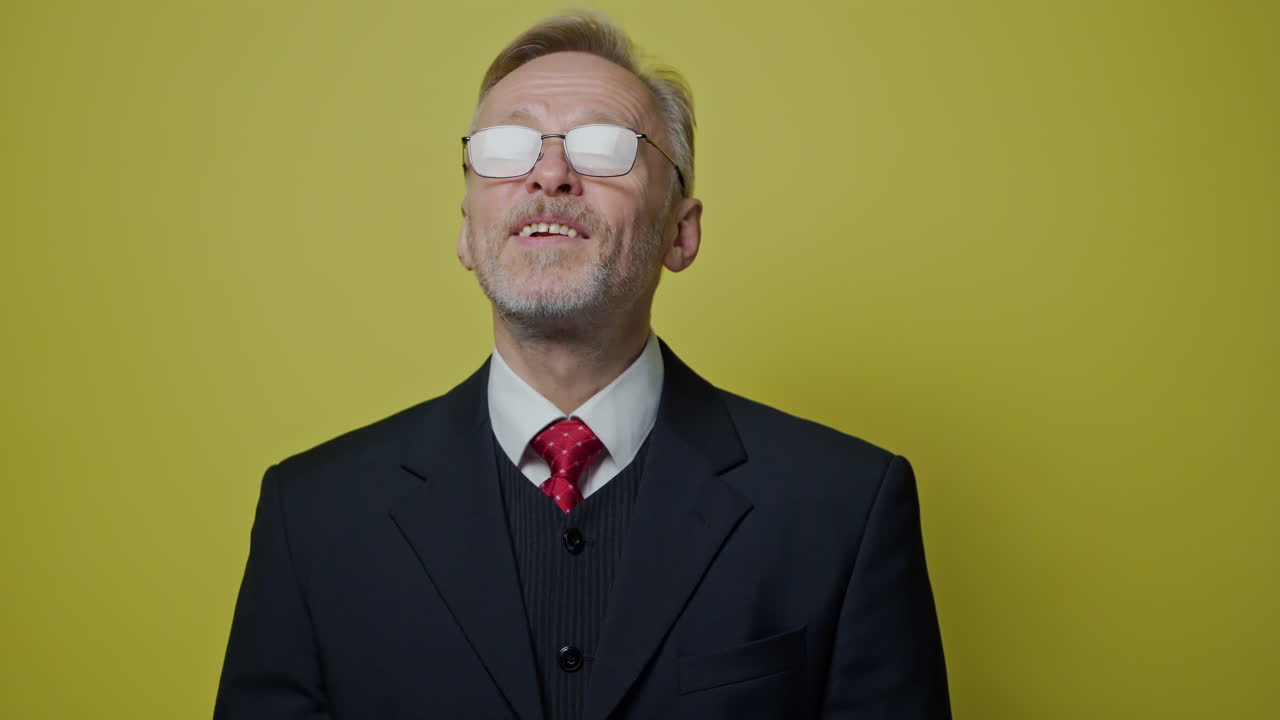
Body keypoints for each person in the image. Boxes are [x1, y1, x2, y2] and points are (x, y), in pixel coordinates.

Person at [214, 11, 950, 720]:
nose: (550, 174)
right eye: (508, 147)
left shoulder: (845, 509)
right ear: (467, 230)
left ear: (681, 233)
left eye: (604, 148)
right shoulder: (313, 519)